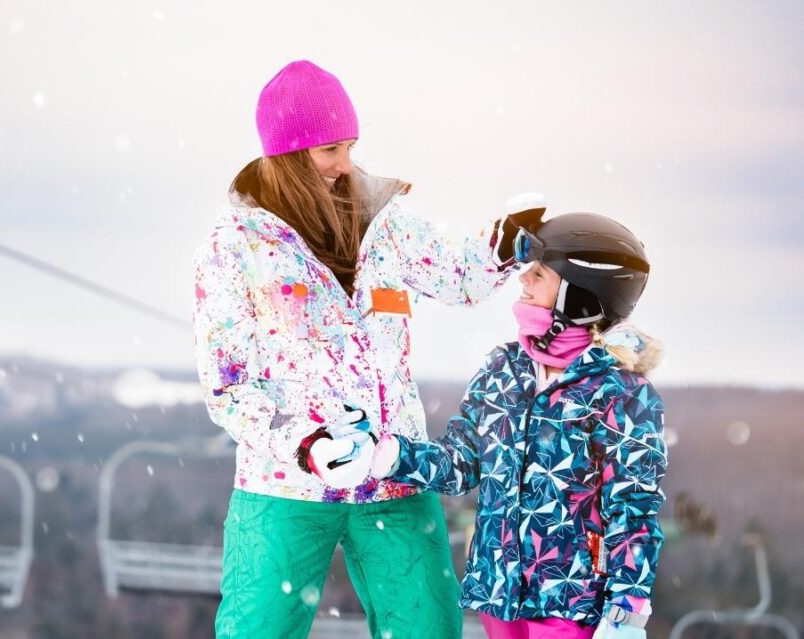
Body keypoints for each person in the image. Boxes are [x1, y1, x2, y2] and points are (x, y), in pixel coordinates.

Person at [192, 59, 542, 638]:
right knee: (259, 628)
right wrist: (304, 442)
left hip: (393, 468)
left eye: (350, 145)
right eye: (331, 149)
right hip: (285, 483)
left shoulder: (387, 226)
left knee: (427, 626)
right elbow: (227, 385)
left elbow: (458, 276)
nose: (344, 163)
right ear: (290, 154)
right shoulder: (236, 248)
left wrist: (500, 247)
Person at [325, 212, 666, 639]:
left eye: (538, 274)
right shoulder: (505, 369)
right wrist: (389, 454)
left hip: (573, 600)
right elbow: (462, 462)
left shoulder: (620, 393)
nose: (523, 280)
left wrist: (627, 609)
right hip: (499, 594)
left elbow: (633, 507)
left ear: (579, 296)